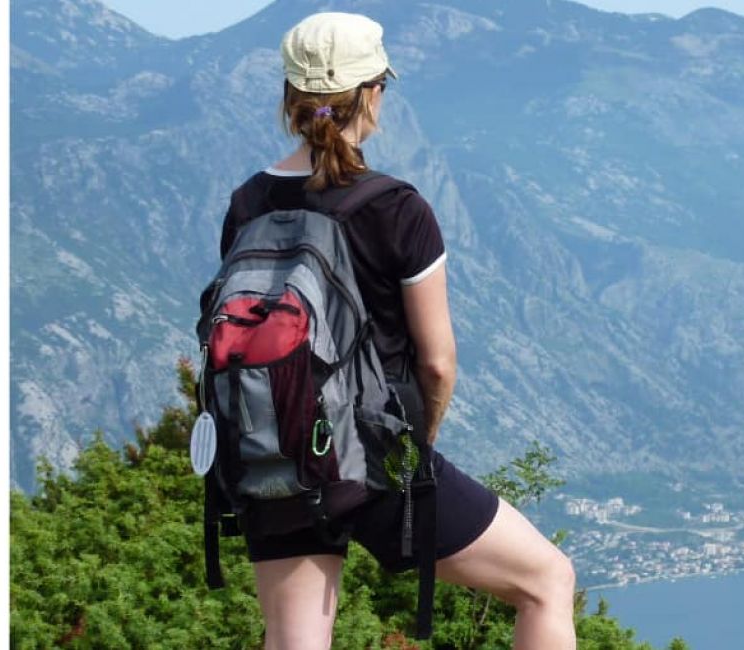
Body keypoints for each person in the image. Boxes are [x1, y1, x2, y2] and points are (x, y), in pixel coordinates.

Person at [216, 12, 576, 649]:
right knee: (547, 580)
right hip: (375, 459)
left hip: (274, 452)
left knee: (294, 642)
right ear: (373, 94)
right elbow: (437, 362)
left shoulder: (249, 203)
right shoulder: (395, 207)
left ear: (290, 96)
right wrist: (416, 449)